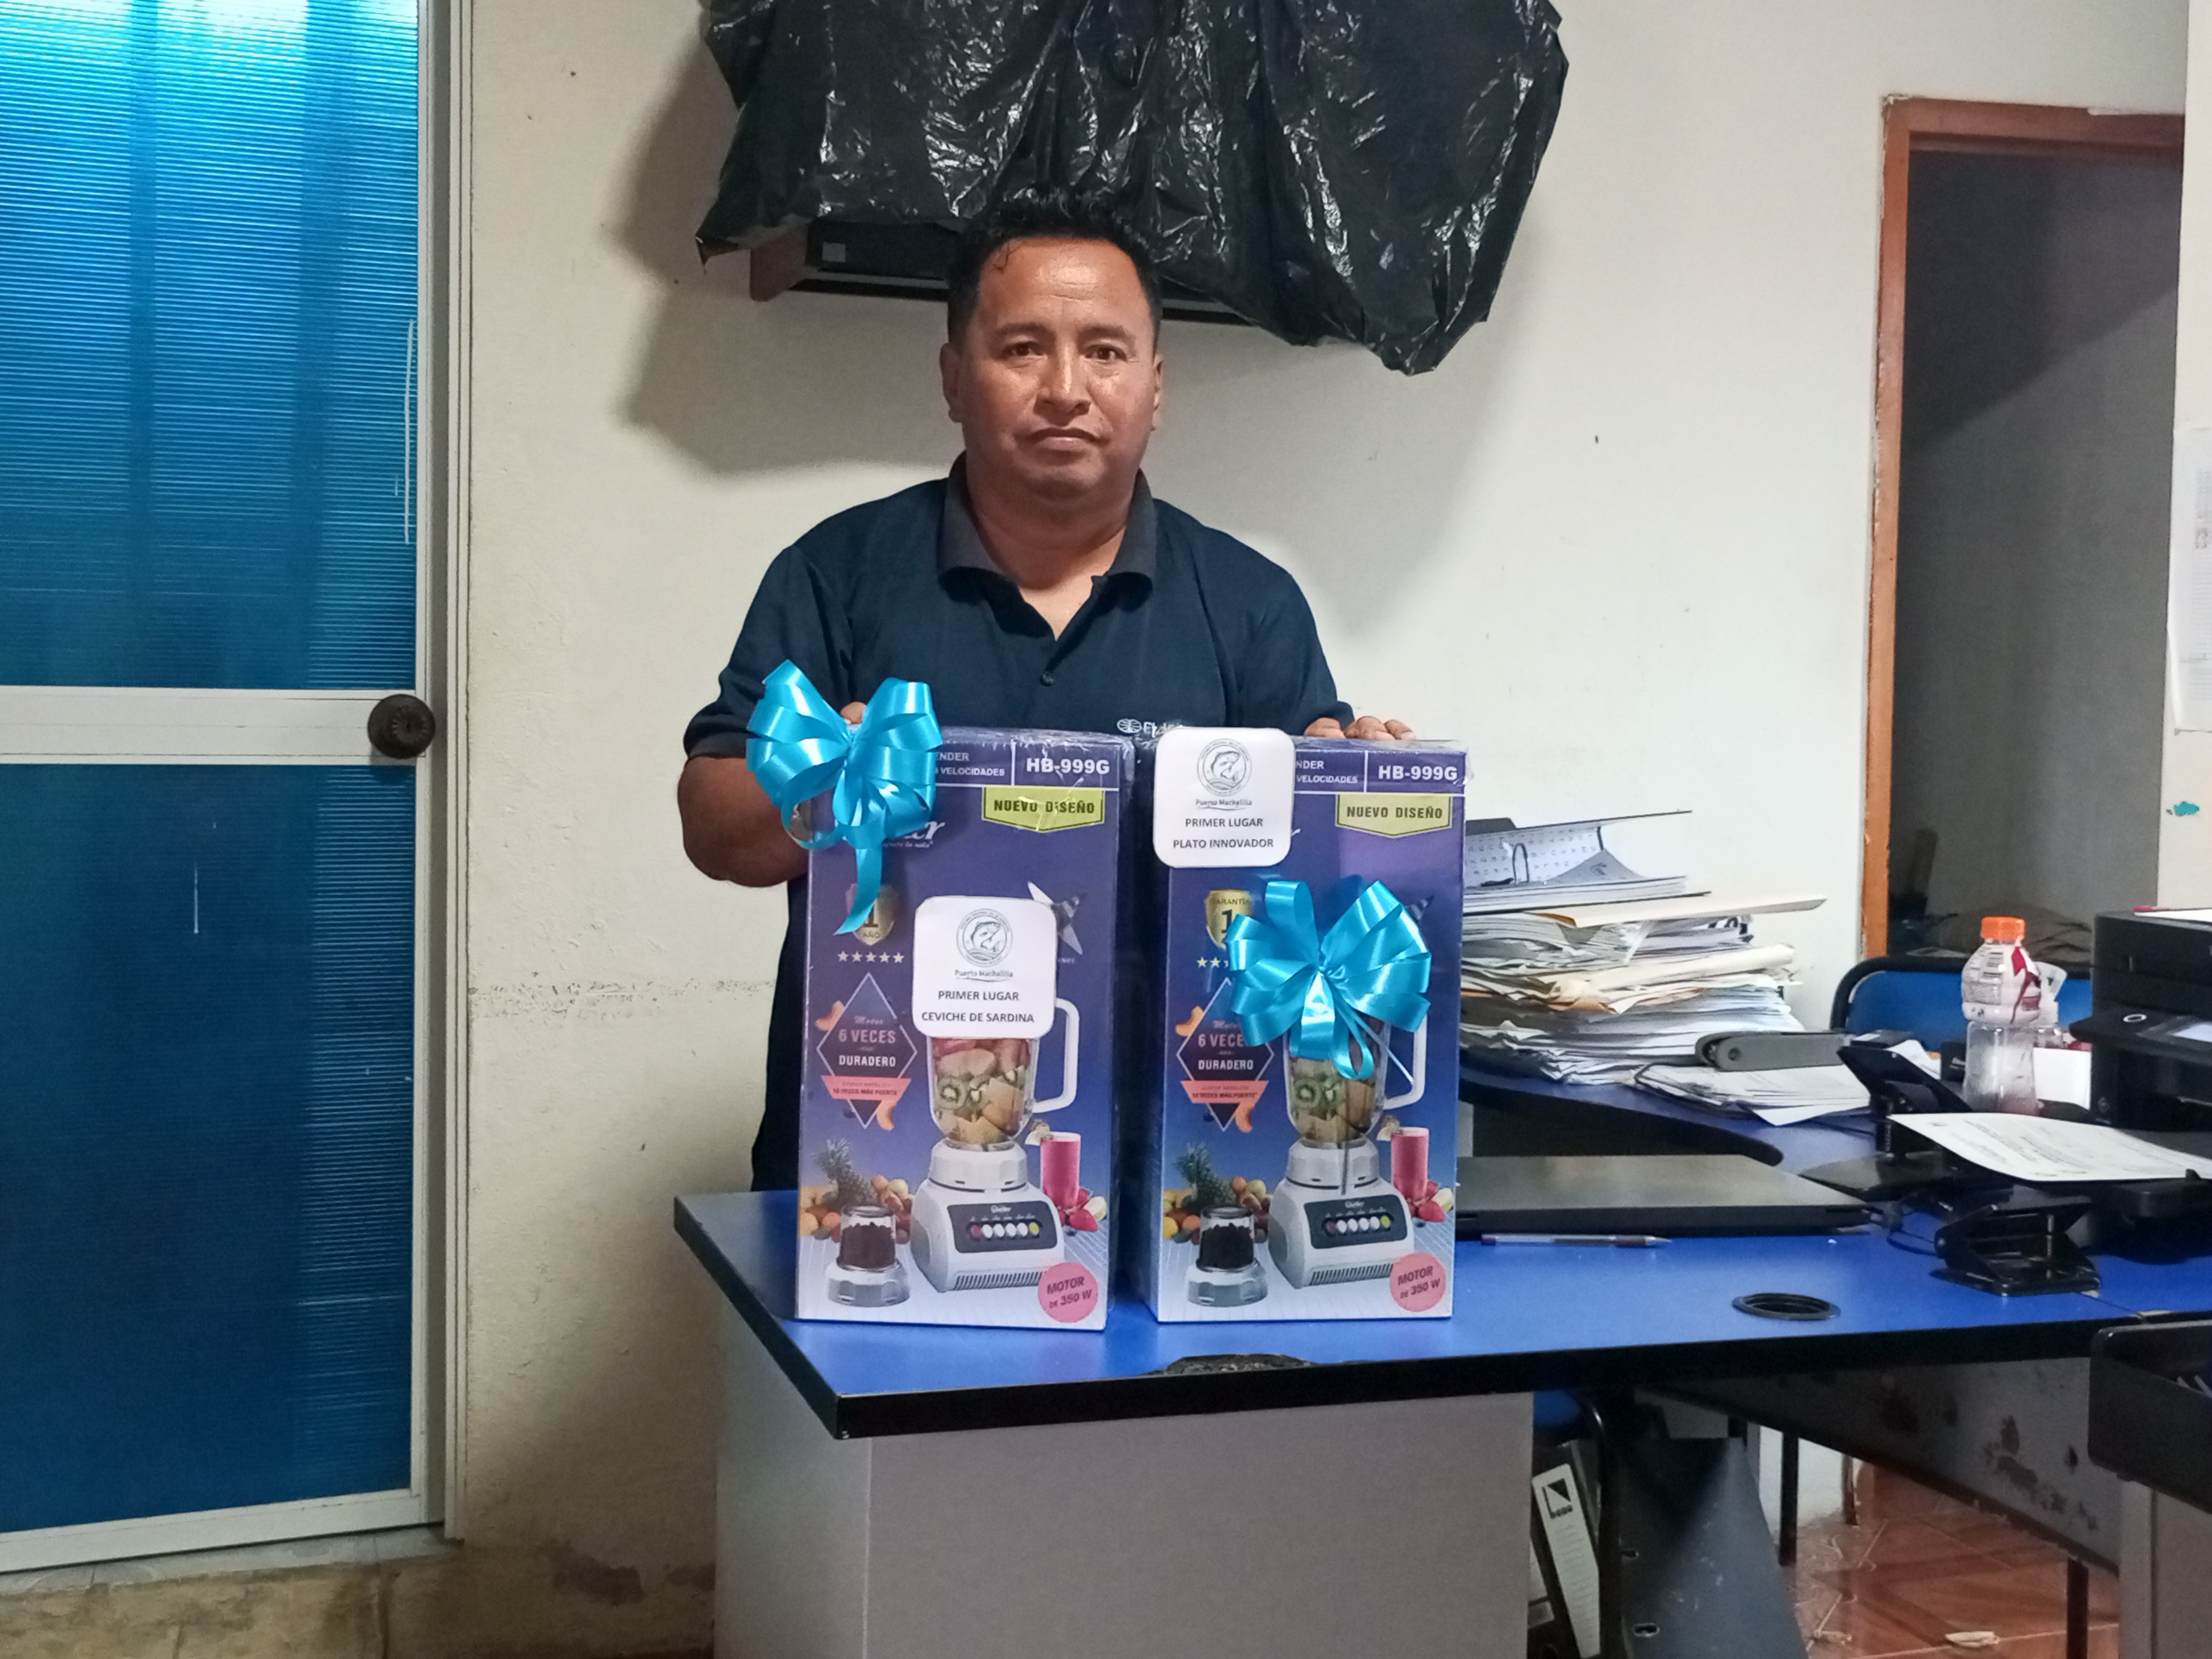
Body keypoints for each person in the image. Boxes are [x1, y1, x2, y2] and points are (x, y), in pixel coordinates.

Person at [679, 189, 1409, 1191]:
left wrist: (1355, 796)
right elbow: (714, 832)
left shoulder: (1250, 603)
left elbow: (1319, 919)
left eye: (1106, 352)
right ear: (953, 377)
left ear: (1156, 386)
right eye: (1023, 348)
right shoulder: (836, 573)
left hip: (1176, 1172)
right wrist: (827, 783)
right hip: (870, 1147)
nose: (1067, 389)